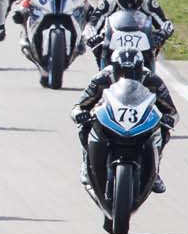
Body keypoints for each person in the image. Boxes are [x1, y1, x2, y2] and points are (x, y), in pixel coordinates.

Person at [70, 48, 178, 193]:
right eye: (122, 72)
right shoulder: (103, 77)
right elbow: (79, 105)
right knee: (84, 125)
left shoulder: (152, 79)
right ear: (114, 68)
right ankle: (86, 162)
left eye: (133, 72)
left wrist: (169, 119)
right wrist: (80, 114)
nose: (128, 76)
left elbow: (172, 111)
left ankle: (155, 170)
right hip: (108, 117)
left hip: (140, 120)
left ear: (140, 69)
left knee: (163, 130)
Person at [85, 0, 175, 66]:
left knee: (156, 79)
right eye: (127, 0)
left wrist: (162, 34)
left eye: (136, 0)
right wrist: (92, 36)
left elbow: (166, 23)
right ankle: (103, 71)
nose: (130, 4)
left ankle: (149, 72)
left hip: (142, 42)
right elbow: (92, 23)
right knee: (98, 50)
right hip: (112, 40)